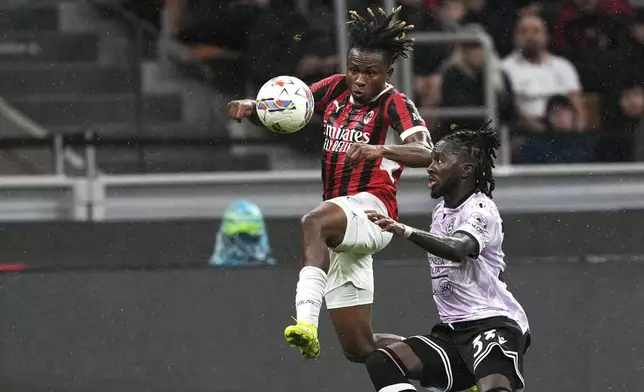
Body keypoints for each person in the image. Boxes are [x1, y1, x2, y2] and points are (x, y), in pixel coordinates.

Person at [227, 7, 433, 362]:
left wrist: (380, 148)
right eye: (355, 69)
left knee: (312, 221)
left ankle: (306, 322)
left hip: (375, 211)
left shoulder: (394, 103)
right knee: (360, 349)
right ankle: (445, 360)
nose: (360, 80)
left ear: (388, 73)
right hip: (341, 220)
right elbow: (290, 107)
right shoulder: (335, 88)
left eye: (371, 72)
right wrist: (253, 108)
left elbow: (426, 152)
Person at [364, 123, 530, 392]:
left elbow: (457, 249)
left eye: (439, 160)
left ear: (465, 169)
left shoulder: (480, 208)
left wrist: (404, 230)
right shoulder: (441, 211)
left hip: (492, 322)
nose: (430, 167)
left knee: (495, 389)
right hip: (452, 332)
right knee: (383, 362)